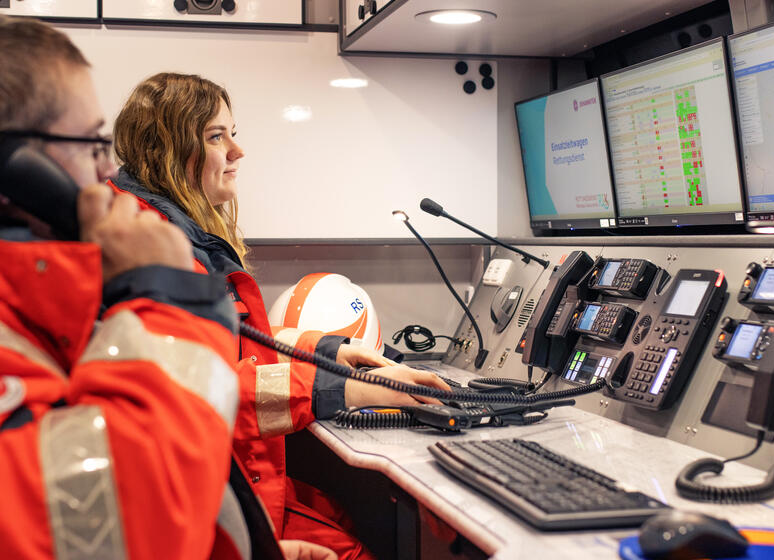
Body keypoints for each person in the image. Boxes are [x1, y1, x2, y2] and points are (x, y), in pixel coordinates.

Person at [110, 72, 452, 559]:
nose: (236, 151)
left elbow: (237, 345)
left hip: (222, 484)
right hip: (199, 502)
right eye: (214, 136)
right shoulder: (155, 252)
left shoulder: (170, 232)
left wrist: (333, 351)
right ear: (164, 149)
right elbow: (209, 393)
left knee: (346, 519)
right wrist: (347, 388)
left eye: (233, 133)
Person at [0, 16, 243, 560]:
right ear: (15, 171)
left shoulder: (41, 303)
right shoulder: (147, 252)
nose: (107, 168)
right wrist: (169, 297)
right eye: (89, 142)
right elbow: (118, 527)